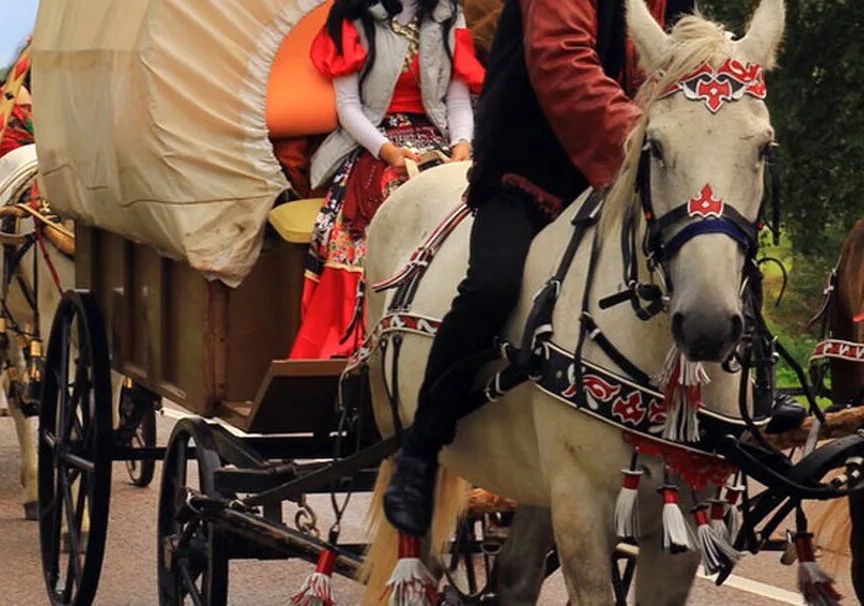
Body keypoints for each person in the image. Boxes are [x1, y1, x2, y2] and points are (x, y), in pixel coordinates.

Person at [382, 0, 693, 536]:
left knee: (708, 250)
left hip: (633, 172)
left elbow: (682, 66)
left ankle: (743, 393)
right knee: (490, 287)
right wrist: (645, 138)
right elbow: (562, 62)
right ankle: (421, 452)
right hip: (532, 175)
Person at [291, 0, 484, 360]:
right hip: (373, 141)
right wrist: (388, 151)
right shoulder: (353, 15)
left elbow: (458, 99)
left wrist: (462, 144)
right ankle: (362, 337)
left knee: (472, 201)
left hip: (437, 137)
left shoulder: (446, 13)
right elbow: (347, 106)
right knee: (381, 200)